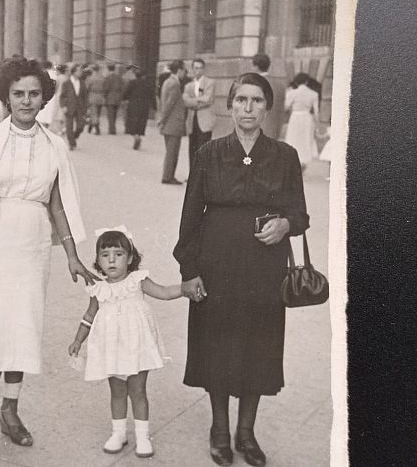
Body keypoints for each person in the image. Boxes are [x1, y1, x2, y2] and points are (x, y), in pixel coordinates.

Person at [0, 57, 99, 466]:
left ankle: (10, 410)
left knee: (22, 330)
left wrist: (72, 255)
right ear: (7, 96)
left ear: (44, 96)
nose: (27, 101)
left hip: (32, 248)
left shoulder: (55, 145)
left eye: (34, 93)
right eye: (19, 93)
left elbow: (57, 203)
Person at [173, 73, 309, 467]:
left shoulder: (285, 156)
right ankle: (219, 429)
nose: (248, 108)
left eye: (256, 101)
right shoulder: (209, 154)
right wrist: (189, 269)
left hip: (264, 269)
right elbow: (189, 218)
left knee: (258, 347)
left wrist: (285, 224)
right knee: (216, 345)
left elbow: (300, 213)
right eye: (241, 100)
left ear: (267, 107)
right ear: (229, 105)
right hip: (216, 265)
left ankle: (246, 432)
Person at [68, 227, 198, 459]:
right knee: (117, 391)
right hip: (112, 349)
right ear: (98, 260)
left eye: (118, 254)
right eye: (105, 255)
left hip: (137, 347)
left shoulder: (137, 281)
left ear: (130, 259)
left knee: (138, 391)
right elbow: (89, 317)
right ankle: (118, 433)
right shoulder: (98, 289)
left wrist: (184, 289)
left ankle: (142, 436)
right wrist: (78, 340)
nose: (111, 260)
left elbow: (164, 292)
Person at [183, 58, 216, 171]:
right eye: (196, 68)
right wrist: (198, 101)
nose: (198, 70)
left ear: (204, 69)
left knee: (204, 149)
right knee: (192, 148)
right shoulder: (188, 86)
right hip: (192, 120)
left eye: (200, 68)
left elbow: (208, 99)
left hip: (205, 120)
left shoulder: (210, 82)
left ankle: (203, 175)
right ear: (192, 69)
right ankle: (193, 174)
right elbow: (185, 101)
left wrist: (193, 102)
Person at [158, 60, 187, 185]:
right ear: (179, 70)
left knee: (170, 151)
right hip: (173, 123)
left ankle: (168, 175)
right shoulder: (175, 84)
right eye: (184, 70)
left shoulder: (167, 81)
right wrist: (162, 120)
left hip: (169, 123)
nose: (185, 73)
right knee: (172, 152)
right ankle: (168, 176)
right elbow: (169, 104)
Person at [283, 72, 320, 171]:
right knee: (305, 140)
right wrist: (317, 125)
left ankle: (294, 162)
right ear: (307, 82)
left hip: (295, 117)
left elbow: (286, 107)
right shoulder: (314, 94)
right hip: (307, 118)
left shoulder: (292, 93)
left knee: (294, 139)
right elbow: (316, 112)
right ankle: (303, 163)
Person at [122, 68, 157, 150]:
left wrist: (125, 99)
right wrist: (154, 106)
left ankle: (136, 136)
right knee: (141, 121)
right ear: (144, 76)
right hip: (144, 106)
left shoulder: (132, 82)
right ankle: (139, 134)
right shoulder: (148, 84)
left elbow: (125, 93)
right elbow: (152, 96)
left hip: (133, 104)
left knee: (132, 121)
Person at [59, 64, 88, 150]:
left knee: (81, 126)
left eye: (81, 71)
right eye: (79, 71)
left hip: (80, 107)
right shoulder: (66, 83)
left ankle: (74, 136)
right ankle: (72, 143)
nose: (81, 72)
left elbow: (85, 96)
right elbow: (62, 96)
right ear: (74, 72)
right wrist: (63, 106)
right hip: (69, 107)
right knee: (69, 126)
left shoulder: (82, 82)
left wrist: (87, 107)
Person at [103, 64, 125, 134]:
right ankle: (113, 128)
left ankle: (112, 129)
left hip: (110, 98)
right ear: (114, 69)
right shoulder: (119, 77)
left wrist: (105, 96)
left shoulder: (108, 77)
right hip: (117, 98)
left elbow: (106, 88)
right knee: (115, 114)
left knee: (110, 115)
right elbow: (122, 87)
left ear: (108, 69)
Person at [86, 65, 106, 135]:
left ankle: (97, 129)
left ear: (93, 70)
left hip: (92, 96)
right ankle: (90, 127)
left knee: (94, 113)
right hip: (101, 97)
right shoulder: (103, 78)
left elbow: (87, 88)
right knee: (97, 113)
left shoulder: (90, 78)